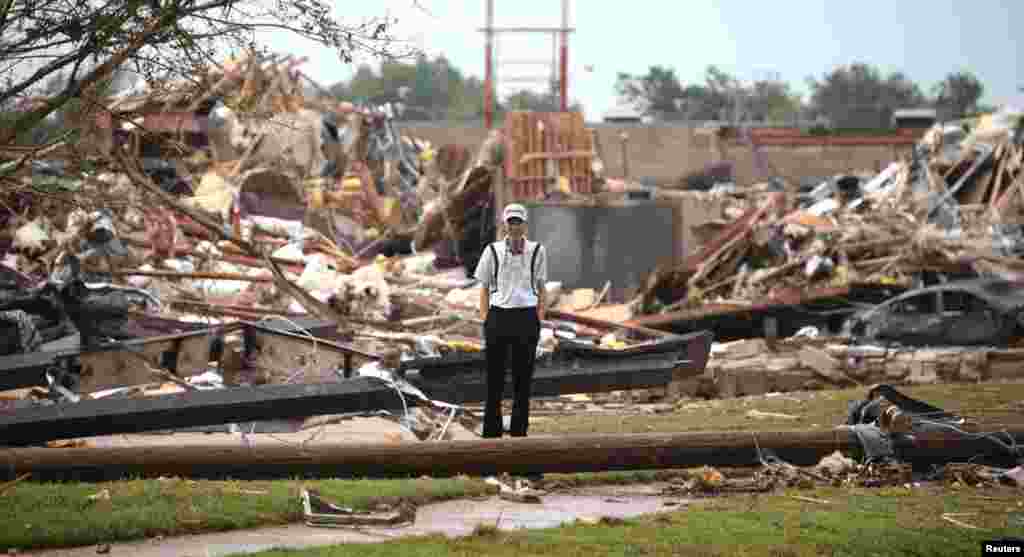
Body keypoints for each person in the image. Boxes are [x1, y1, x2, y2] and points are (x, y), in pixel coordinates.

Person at [473, 203, 548, 439]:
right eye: (510, 222)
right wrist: (486, 319)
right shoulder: (492, 251)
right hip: (498, 316)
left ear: (525, 225)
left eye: (518, 222)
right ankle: (491, 435)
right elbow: (484, 288)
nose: (514, 226)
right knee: (494, 379)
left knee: (522, 380)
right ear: (504, 224)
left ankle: (519, 435)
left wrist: (539, 318)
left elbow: (541, 288)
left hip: (526, 317)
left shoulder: (537, 251)